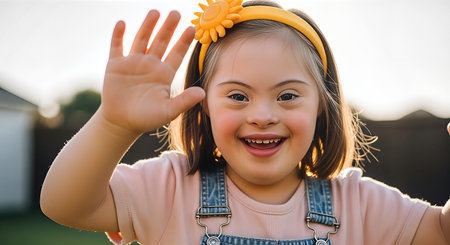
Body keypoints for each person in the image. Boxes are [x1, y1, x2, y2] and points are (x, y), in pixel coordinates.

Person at [40, 0, 450, 244]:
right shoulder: (168, 189)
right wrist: (114, 124)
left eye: (288, 96)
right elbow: (64, 204)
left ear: (322, 106)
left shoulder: (358, 205)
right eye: (237, 96)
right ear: (204, 109)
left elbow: (441, 232)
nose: (262, 115)